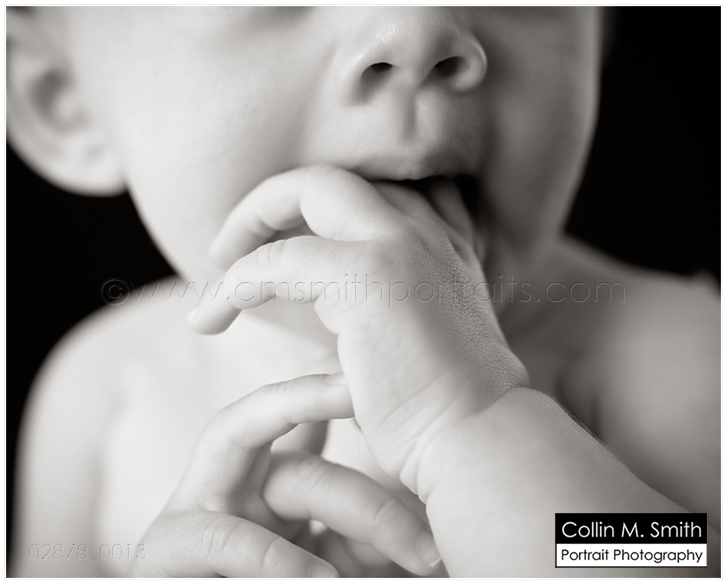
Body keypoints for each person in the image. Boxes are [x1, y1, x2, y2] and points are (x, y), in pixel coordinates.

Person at [8, 6, 719, 577]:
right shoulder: (105, 390)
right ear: (62, 99)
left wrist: (469, 423)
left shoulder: (672, 358)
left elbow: (684, 559)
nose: (417, 28)